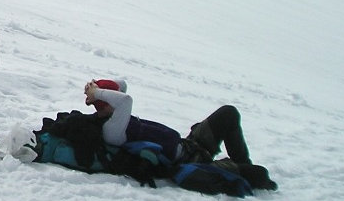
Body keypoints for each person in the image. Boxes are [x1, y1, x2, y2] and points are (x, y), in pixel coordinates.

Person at [85, 78, 277, 189]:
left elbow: (122, 85)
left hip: (190, 145)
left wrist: (95, 87)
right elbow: (125, 99)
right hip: (192, 164)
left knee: (228, 113)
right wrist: (99, 93)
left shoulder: (114, 114)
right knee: (261, 175)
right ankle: (242, 169)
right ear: (110, 102)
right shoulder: (111, 130)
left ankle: (242, 164)